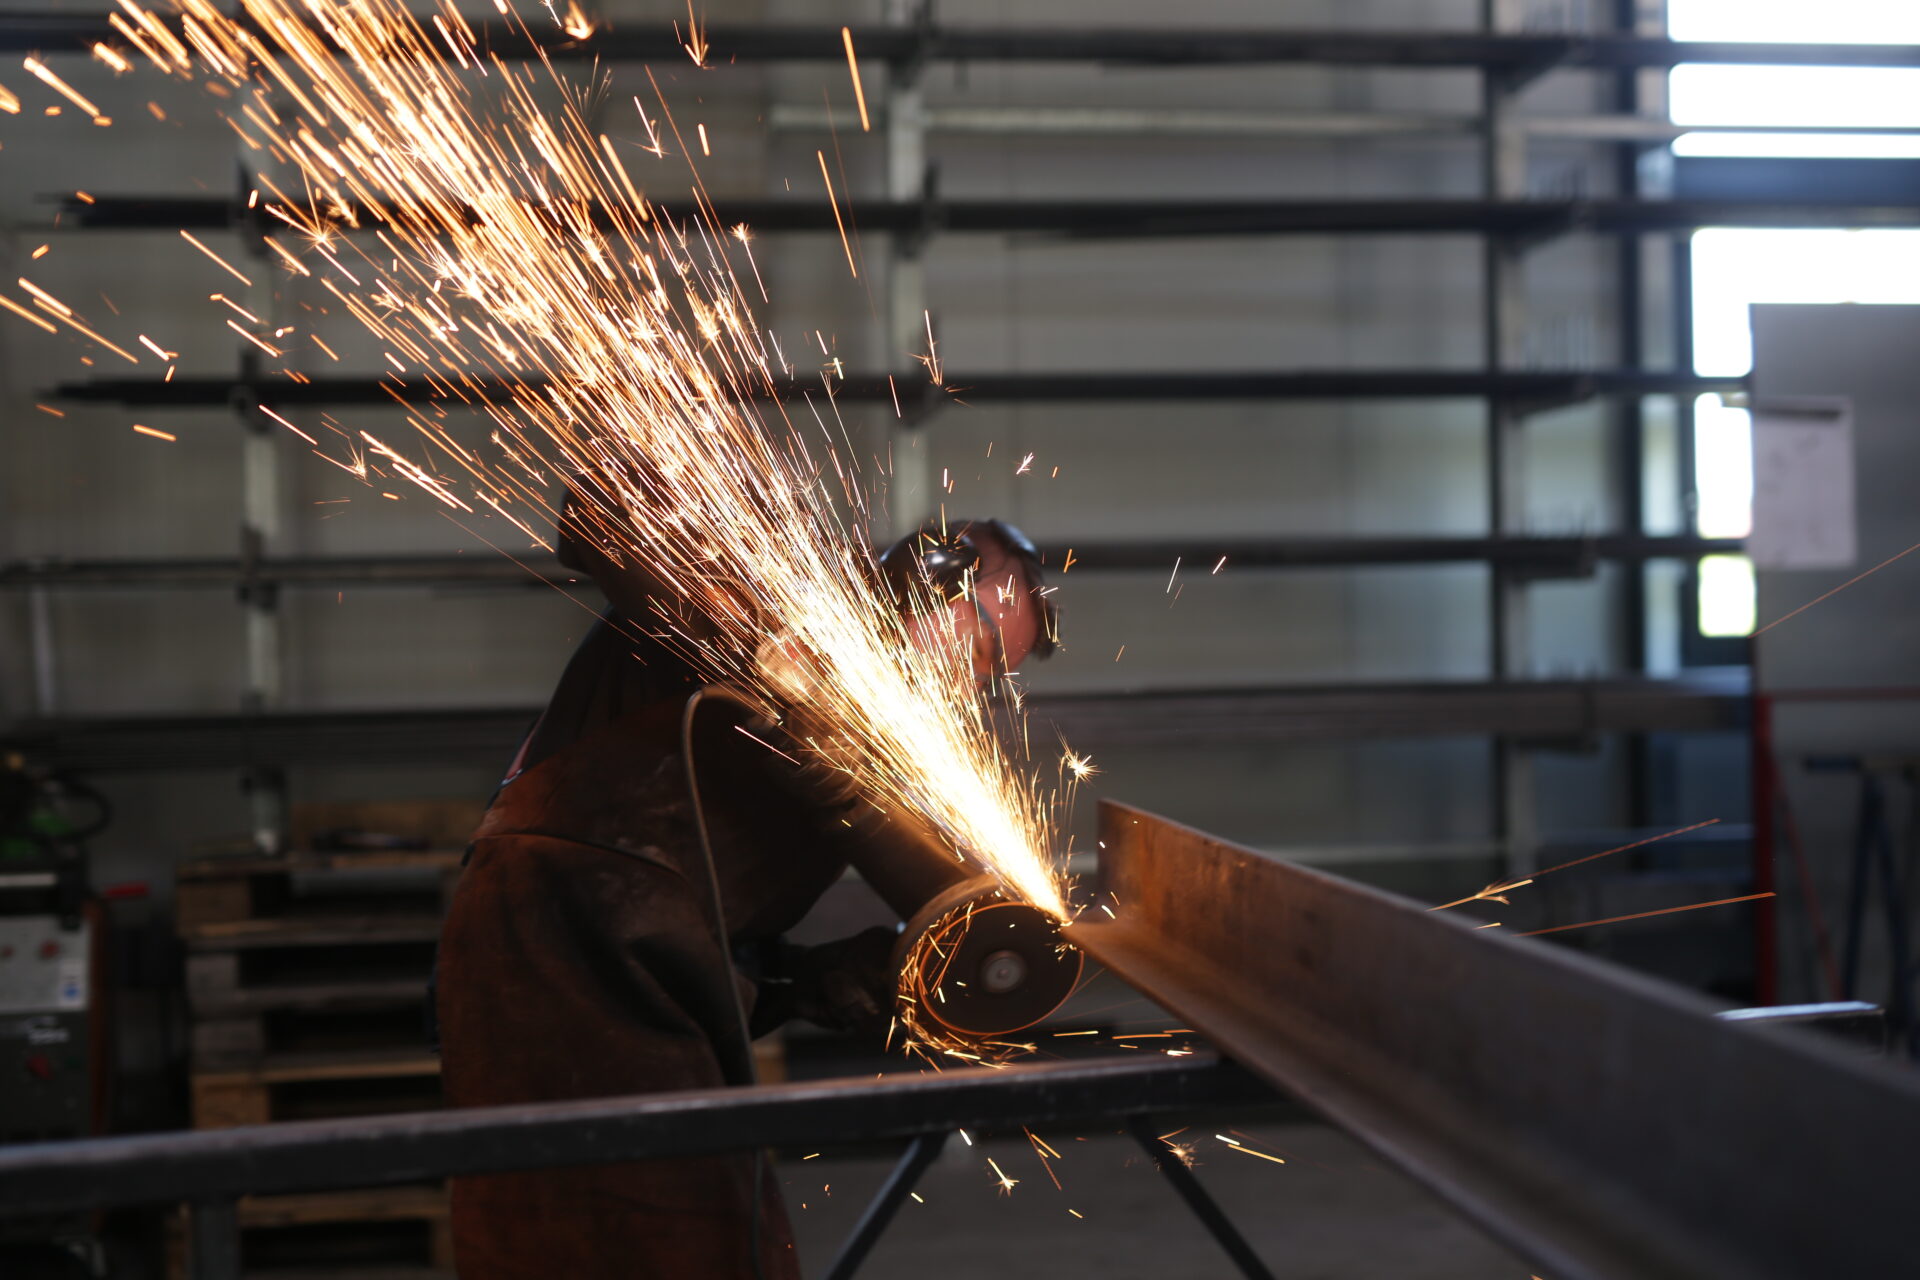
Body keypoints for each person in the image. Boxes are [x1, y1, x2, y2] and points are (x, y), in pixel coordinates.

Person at [433, 503, 1055, 1280]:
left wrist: (807, 982)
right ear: (927, 581)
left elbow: (689, 910)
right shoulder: (776, 595)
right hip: (543, 961)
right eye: (981, 649)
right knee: (615, 1245)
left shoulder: (861, 740)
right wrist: (759, 647)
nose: (970, 686)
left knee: (723, 1241)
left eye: (993, 677)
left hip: (645, 992)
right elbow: (601, 509)